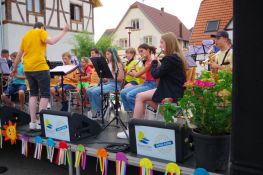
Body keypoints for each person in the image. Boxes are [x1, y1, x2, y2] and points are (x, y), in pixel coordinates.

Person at [117, 32, 187, 139]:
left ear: (168, 43)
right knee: (145, 98)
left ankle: (133, 130)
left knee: (139, 96)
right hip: (173, 90)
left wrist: (154, 62)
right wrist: (160, 65)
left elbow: (155, 74)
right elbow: (165, 72)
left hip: (170, 91)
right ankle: (164, 117)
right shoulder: (175, 57)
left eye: (162, 42)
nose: (160, 45)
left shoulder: (170, 58)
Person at [12, 22, 70, 130]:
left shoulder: (26, 36)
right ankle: (40, 122)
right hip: (40, 67)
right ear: (42, 27)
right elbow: (52, 41)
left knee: (33, 94)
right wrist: (64, 31)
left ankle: (32, 122)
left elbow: (19, 54)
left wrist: (14, 68)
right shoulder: (41, 31)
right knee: (44, 94)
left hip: (28, 68)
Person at [120, 44, 157, 115]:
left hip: (151, 85)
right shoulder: (145, 62)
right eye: (139, 52)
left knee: (130, 95)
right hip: (146, 83)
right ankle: (130, 113)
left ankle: (138, 116)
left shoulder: (150, 62)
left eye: (141, 51)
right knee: (123, 92)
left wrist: (133, 69)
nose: (140, 54)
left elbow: (137, 75)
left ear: (148, 50)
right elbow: (145, 76)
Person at [87, 48, 124, 119]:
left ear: (113, 55)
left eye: (108, 54)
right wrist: (104, 77)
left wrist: (110, 75)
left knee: (95, 92)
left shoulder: (118, 64)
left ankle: (99, 111)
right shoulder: (107, 64)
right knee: (89, 90)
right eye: (106, 54)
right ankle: (98, 107)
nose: (106, 56)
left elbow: (120, 78)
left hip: (115, 85)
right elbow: (107, 79)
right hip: (108, 83)